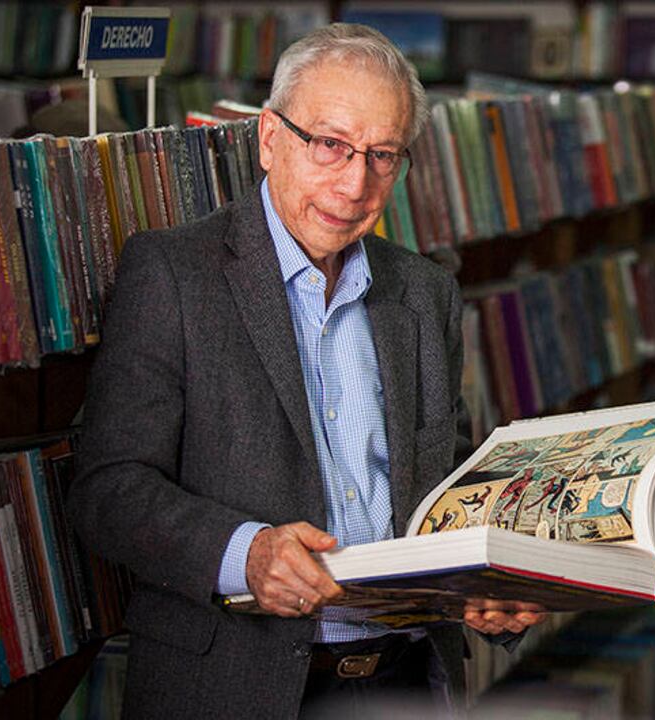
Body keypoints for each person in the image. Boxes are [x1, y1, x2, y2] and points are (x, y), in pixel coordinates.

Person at [68, 23, 544, 718]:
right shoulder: (172, 274)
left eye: (383, 155)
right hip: (236, 683)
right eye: (329, 145)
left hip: (408, 679)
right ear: (269, 138)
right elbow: (106, 490)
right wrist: (243, 553)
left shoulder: (423, 292)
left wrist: (486, 573)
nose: (355, 184)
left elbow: (450, 478)